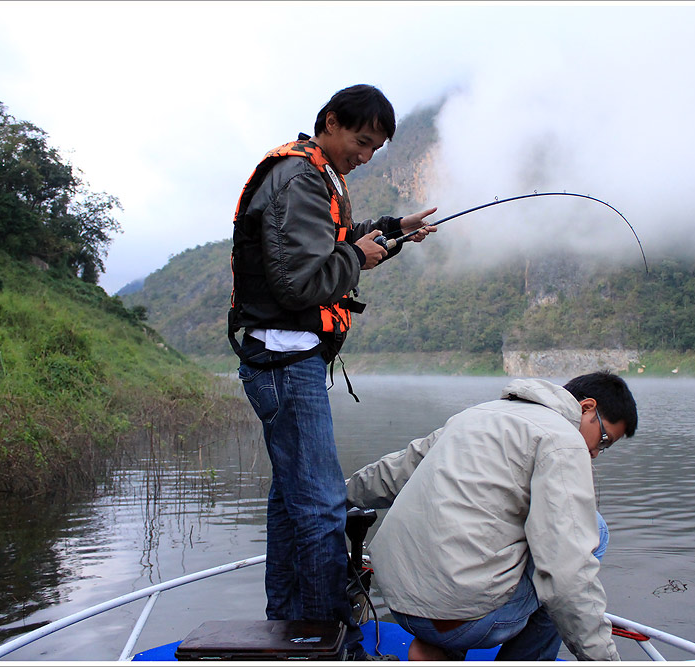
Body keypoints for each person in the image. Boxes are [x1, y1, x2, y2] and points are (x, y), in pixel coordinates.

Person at [227, 84, 437, 660]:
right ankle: (326, 639)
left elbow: (333, 243)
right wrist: (360, 258)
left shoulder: (316, 178)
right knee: (321, 505)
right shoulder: (300, 179)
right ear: (330, 122)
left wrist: (392, 231)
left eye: (375, 149)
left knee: (290, 499)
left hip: (287, 359)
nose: (364, 156)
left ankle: (288, 625)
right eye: (360, 142)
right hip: (285, 360)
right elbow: (300, 280)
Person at [345, 371, 638, 661]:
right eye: (604, 439)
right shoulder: (563, 439)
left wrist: (335, 495)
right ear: (587, 408)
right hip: (462, 621)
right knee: (589, 537)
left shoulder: (478, 414)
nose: (597, 453)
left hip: (401, 602)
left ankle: (441, 650)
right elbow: (568, 575)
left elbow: (395, 472)